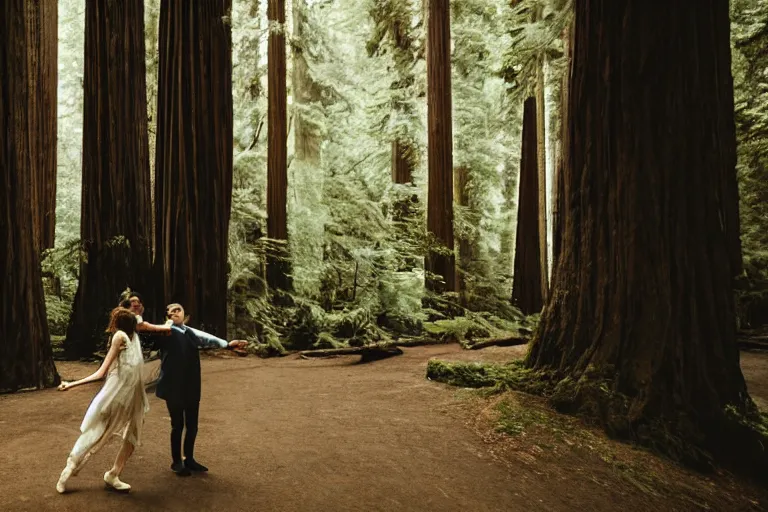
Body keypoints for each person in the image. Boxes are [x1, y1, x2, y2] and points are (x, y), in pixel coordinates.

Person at [56, 308, 149, 494]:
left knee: (133, 434)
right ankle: (70, 468)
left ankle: (114, 474)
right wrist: (72, 384)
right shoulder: (120, 337)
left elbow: (138, 319)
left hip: (134, 396)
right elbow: (101, 373)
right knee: (97, 431)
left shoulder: (134, 338)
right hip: (114, 395)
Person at [155, 303, 247, 476]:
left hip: (191, 384)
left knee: (192, 425)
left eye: (178, 309)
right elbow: (149, 333)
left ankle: (189, 458)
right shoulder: (165, 332)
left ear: (185, 315)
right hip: (173, 385)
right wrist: (166, 324)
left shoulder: (189, 332)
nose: (174, 312)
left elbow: (206, 338)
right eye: (170, 311)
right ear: (166, 316)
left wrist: (227, 345)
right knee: (177, 425)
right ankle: (177, 462)